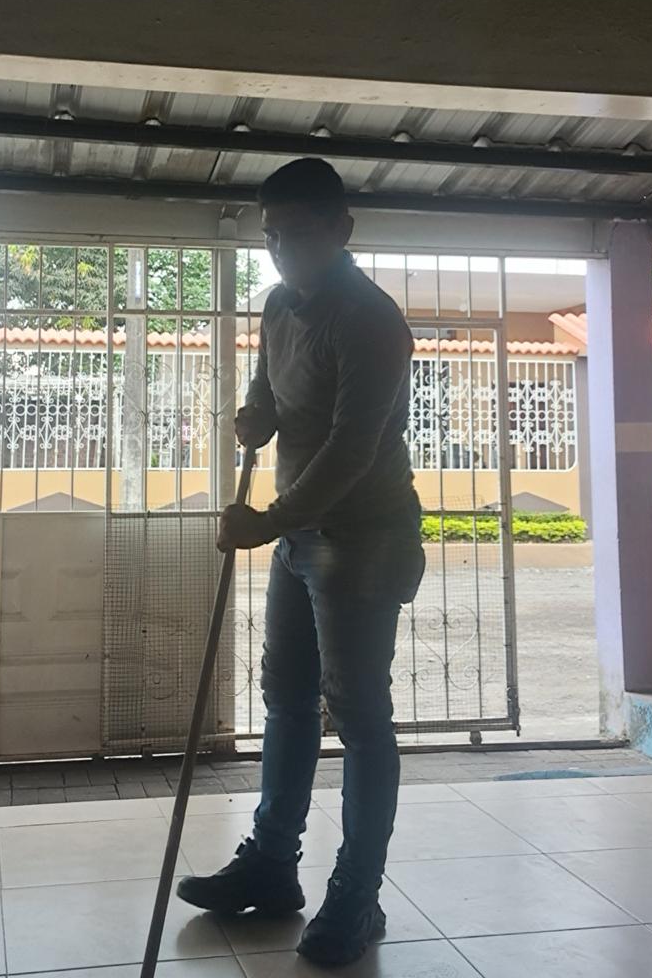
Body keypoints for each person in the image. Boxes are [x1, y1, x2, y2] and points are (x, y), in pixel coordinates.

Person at [176, 157, 424, 967]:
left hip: (363, 537)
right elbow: (269, 396)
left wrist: (269, 521)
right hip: (297, 537)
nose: (282, 250)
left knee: (358, 716)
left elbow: (354, 447)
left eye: (298, 233)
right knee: (285, 697)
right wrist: (256, 418)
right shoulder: (279, 305)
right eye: (272, 236)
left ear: (341, 230)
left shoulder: (371, 320)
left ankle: (357, 894)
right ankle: (272, 865)